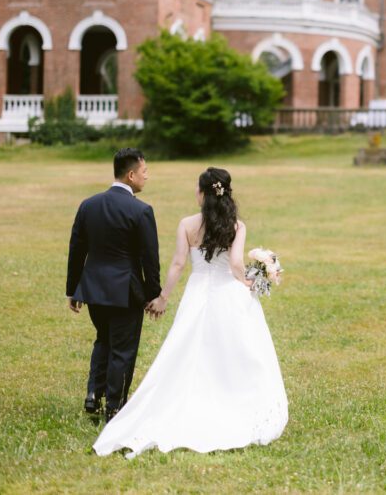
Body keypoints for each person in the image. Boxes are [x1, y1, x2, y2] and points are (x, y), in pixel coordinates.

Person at [93, 167, 288, 458]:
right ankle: (233, 398)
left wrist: (162, 297)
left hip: (197, 294)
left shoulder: (187, 224)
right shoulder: (236, 226)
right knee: (236, 350)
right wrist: (249, 281)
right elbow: (236, 264)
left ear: (202, 194)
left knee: (187, 348)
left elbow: (177, 265)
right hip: (229, 294)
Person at [66, 148, 164, 422]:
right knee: (123, 348)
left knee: (103, 340)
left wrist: (73, 288)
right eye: (145, 172)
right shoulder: (141, 210)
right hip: (125, 292)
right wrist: (153, 294)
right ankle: (115, 406)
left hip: (94, 289)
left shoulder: (89, 204)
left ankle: (93, 395)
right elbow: (149, 259)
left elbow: (77, 249)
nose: (147, 177)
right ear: (131, 175)